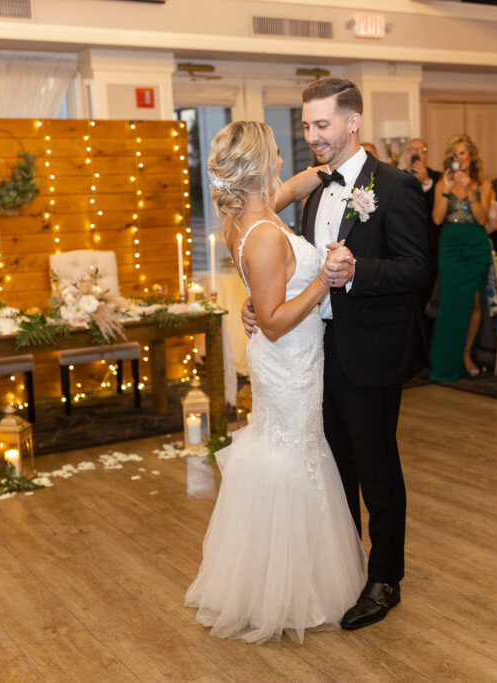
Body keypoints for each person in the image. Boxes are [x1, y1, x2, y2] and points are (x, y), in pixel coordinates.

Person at [242, 78, 428, 629]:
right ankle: (345, 568)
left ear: (353, 122)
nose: (312, 136)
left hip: (370, 353)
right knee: (333, 470)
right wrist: (260, 305)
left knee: (377, 469)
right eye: (306, 125)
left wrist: (359, 271)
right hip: (313, 353)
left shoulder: (395, 187)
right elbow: (288, 265)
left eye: (322, 124)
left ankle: (385, 577)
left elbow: (418, 268)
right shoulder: (313, 190)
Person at [185, 121, 364, 643]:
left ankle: (276, 577)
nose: (285, 162)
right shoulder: (262, 236)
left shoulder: (245, 218)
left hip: (288, 359)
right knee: (292, 457)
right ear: (260, 165)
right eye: (278, 156)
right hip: (287, 356)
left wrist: (326, 171)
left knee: (290, 452)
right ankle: (288, 590)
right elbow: (273, 319)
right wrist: (323, 282)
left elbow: (281, 196)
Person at [427, 134, 494, 380]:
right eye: (454, 154)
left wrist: (469, 191)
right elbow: (436, 218)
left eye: (462, 153)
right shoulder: (441, 183)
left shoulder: (483, 185)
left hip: (475, 246)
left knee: (475, 304)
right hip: (451, 246)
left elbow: (481, 218)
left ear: (471, 157)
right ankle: (445, 361)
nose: (458, 158)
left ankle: (466, 353)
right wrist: (446, 190)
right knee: (450, 304)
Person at [400, 137, 442, 326]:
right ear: (406, 155)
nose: (416, 154)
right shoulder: (396, 177)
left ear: (426, 155)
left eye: (421, 150)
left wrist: (425, 182)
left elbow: (437, 216)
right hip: (404, 248)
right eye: (412, 150)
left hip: (432, 249)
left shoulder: (437, 178)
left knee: (430, 302)